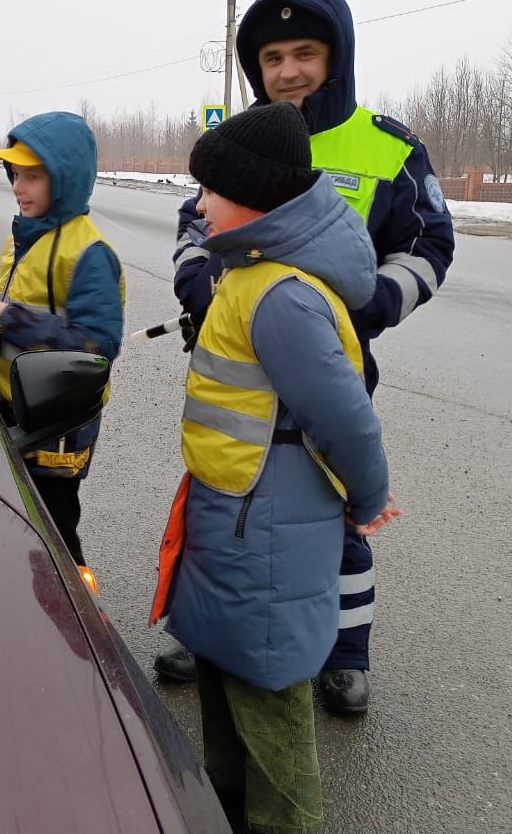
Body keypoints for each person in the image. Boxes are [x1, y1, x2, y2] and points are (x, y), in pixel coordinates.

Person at [155, 0, 455, 715]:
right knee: (225, 500)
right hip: (238, 368)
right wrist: (201, 289)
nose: (287, 70)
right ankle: (214, 630)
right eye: (272, 57)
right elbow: (194, 228)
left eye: (305, 53)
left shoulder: (387, 147)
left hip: (329, 360)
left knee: (333, 514)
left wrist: (373, 306)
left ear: (336, 56)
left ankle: (346, 653)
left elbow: (429, 244)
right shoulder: (240, 141)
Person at [150, 102, 400, 834]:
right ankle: (227, 816)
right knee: (229, 689)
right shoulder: (250, 273)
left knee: (272, 716)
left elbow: (347, 416)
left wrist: (369, 495)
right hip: (237, 523)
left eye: (210, 191)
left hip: (265, 543)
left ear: (254, 196)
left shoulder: (282, 295)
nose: (198, 204)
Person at [0, 111, 125, 566]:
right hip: (11, 410)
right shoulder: (23, 238)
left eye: (33, 176)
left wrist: (7, 318)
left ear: (65, 178)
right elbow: (19, 320)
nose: (18, 187)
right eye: (15, 174)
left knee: (56, 531)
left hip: (58, 425)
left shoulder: (91, 254)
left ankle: (80, 617)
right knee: (17, 523)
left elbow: (99, 346)